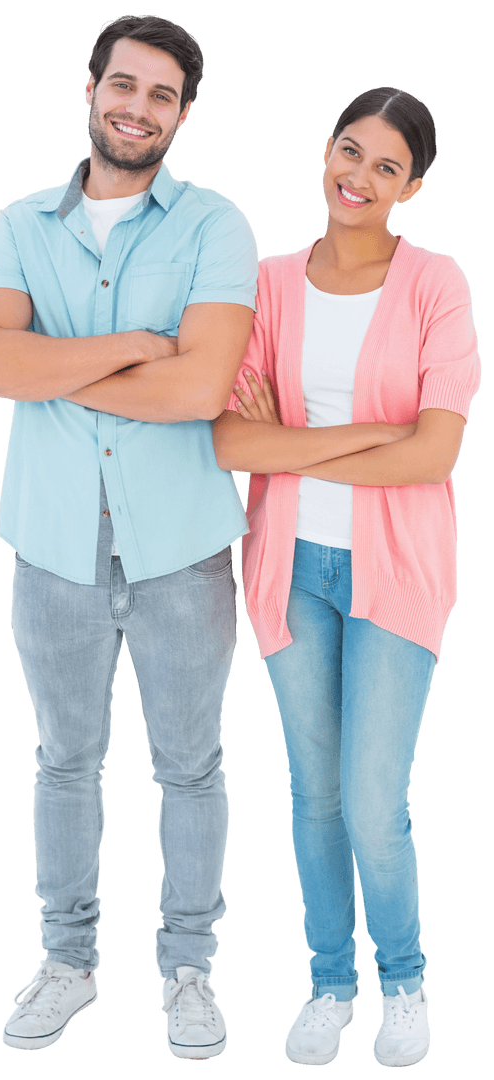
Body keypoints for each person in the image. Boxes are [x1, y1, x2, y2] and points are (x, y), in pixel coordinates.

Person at [0, 13, 258, 1058]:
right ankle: (66, 963)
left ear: (181, 114)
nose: (138, 107)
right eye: (122, 85)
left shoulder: (215, 226)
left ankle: (188, 970)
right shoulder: (17, 227)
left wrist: (68, 361)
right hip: (51, 548)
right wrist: (138, 345)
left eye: (162, 95)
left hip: (183, 548)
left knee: (190, 768)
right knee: (63, 762)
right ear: (88, 89)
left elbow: (200, 388)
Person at [212, 86, 481, 1069]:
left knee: (372, 798)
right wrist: (368, 431)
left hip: (395, 574)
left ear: (410, 186)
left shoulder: (434, 285)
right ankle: (330, 984)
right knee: (312, 794)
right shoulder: (267, 283)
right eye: (347, 150)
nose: (355, 176)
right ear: (324, 150)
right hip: (286, 567)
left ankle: (403, 982)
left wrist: (295, 445)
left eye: (383, 166)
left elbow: (431, 457)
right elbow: (231, 438)